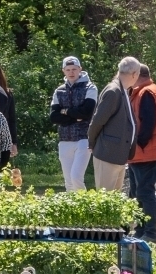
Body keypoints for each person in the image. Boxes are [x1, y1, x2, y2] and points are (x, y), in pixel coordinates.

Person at [126, 65, 156, 243]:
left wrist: (138, 143)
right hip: (143, 152)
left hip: (147, 151)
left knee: (145, 192)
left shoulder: (147, 92)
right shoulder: (146, 91)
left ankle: (151, 232)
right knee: (138, 192)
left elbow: (148, 123)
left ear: (135, 75)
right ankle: (141, 229)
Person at [87, 57, 140, 191]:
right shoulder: (113, 91)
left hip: (118, 155)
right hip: (107, 154)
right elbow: (97, 121)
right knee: (105, 198)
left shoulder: (123, 90)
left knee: (114, 199)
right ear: (134, 74)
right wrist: (92, 143)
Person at [50, 56, 98, 191]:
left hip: (83, 138)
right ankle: (72, 204)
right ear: (63, 71)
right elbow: (54, 117)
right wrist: (75, 116)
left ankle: (84, 202)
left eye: (74, 69)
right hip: (64, 139)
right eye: (68, 70)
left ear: (80, 69)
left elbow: (87, 113)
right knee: (69, 181)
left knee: (76, 177)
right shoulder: (59, 91)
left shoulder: (90, 87)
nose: (71, 72)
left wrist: (64, 111)